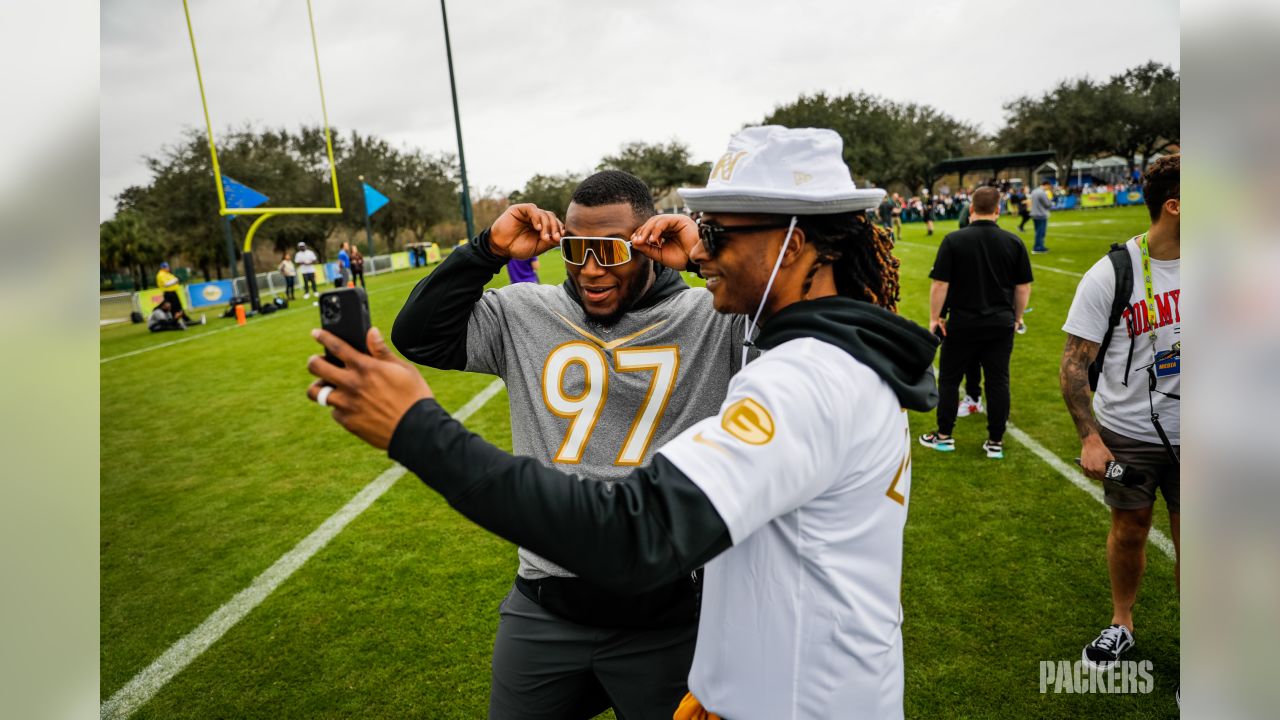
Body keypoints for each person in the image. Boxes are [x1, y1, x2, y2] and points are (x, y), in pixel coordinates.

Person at [312, 126, 938, 719]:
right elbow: (423, 334)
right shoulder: (825, 360)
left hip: (710, 638)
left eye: (715, 234)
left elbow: (634, 534)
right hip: (577, 609)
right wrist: (484, 250)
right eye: (700, 231)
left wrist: (413, 428)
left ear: (794, 243)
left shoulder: (801, 377)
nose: (702, 248)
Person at [390, 170, 741, 720]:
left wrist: (704, 257)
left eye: (609, 250)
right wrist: (486, 250)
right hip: (544, 606)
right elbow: (419, 335)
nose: (591, 269)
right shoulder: (527, 311)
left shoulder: (712, 317)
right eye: (577, 250)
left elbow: (799, 327)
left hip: (669, 614)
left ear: (651, 242)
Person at [1060, 155, 1180, 672]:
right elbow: (1072, 365)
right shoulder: (1113, 273)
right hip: (1128, 434)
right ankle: (1121, 622)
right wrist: (1090, 437)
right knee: (1130, 529)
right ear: (1174, 207)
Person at [920, 186, 1033, 459]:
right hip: (1000, 323)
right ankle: (995, 441)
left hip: (962, 323)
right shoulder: (1013, 241)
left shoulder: (953, 240)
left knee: (948, 379)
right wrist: (1017, 317)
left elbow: (940, 284)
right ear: (999, 210)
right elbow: (1022, 288)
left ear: (970, 209)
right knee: (998, 381)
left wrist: (935, 318)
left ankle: (944, 435)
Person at [1029, 180, 1053, 253]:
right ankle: (1038, 247)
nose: (1049, 188)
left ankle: (1038, 246)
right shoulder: (1042, 193)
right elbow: (1047, 204)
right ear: (1046, 185)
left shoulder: (1034, 191)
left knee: (1038, 232)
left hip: (1034, 213)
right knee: (1041, 232)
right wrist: (1050, 200)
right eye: (1049, 186)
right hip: (1041, 214)